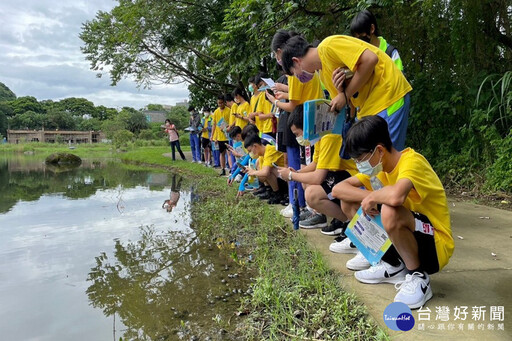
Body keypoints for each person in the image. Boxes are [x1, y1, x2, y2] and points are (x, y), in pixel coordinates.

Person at [332, 116, 454, 309]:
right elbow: (338, 189)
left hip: (435, 244)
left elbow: (396, 197)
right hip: (410, 235)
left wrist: (373, 198)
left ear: (379, 150)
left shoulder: (412, 162)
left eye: (360, 159)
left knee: (389, 209)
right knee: (349, 201)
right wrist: (370, 197)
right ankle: (392, 264)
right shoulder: (378, 169)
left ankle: (418, 275)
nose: (358, 165)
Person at [280, 33, 412, 151]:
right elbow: (344, 101)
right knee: (374, 162)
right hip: (369, 108)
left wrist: (345, 94)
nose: (299, 78)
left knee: (385, 159)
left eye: (294, 74)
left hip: (387, 96)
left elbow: (370, 59)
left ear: (296, 61)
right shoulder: (324, 74)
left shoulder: (329, 45)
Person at [278, 105, 357, 233]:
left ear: (307, 127)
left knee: (311, 194)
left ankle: (349, 225)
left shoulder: (328, 137)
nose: (298, 138)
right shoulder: (320, 136)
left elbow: (318, 177)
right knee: (306, 182)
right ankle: (343, 220)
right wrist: (296, 172)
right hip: (340, 174)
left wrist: (291, 176)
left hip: (351, 175)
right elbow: (315, 164)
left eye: (297, 134)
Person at [244, 133, 287, 204]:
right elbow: (262, 178)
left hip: (286, 179)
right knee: (259, 165)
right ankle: (270, 191)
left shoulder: (270, 150)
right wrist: (251, 172)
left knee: (269, 170)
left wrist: (254, 172)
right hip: (279, 178)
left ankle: (278, 194)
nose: (250, 154)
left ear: (255, 146)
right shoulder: (261, 155)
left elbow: (265, 173)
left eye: (250, 151)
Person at [211, 95, 231, 176]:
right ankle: (222, 169)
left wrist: (227, 127)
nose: (220, 104)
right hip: (219, 137)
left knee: (229, 153)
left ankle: (230, 169)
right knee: (221, 153)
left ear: (224, 102)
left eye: (222, 103)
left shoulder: (229, 110)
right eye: (219, 103)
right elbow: (214, 125)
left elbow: (232, 122)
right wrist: (212, 135)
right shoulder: (216, 112)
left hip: (228, 136)